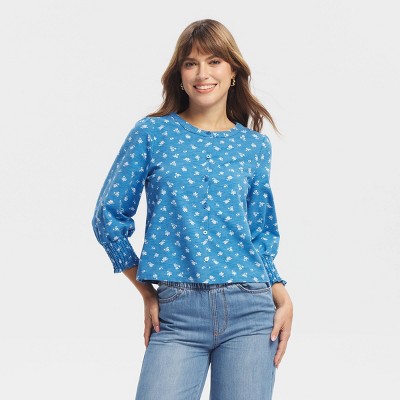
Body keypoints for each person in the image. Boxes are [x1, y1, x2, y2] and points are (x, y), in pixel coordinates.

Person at [92, 18, 293, 400]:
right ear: (180, 75)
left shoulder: (253, 146)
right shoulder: (152, 133)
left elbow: (260, 232)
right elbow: (108, 217)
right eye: (191, 63)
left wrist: (281, 292)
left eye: (214, 61)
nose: (203, 73)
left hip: (251, 310)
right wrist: (146, 292)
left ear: (233, 72)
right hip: (177, 312)